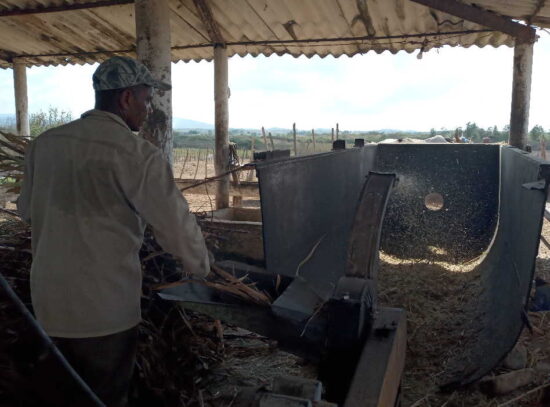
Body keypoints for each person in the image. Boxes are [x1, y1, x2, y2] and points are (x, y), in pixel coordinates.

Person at [17, 56, 210, 406]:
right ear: (125, 98)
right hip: (104, 311)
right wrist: (202, 269)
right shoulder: (137, 155)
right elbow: (177, 229)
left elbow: (27, 211)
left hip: (48, 303)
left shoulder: (45, 145)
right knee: (103, 396)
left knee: (58, 396)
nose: (147, 109)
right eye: (146, 100)